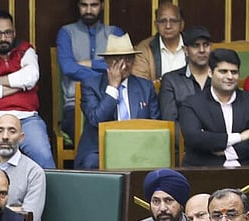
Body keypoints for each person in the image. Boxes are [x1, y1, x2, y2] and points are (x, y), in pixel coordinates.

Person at [0, 10, 54, 168]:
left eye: (7, 33)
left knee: (43, 154)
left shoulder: (26, 50)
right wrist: (20, 87)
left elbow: (31, 76)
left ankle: (50, 193)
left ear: (14, 33)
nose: (3, 38)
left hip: (26, 118)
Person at [76, 33, 160, 169]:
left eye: (128, 59)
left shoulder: (145, 87)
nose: (124, 65)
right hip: (101, 148)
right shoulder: (90, 85)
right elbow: (96, 120)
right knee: (91, 163)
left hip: (139, 147)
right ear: (107, 62)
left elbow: (156, 125)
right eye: (118, 60)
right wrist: (113, 88)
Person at [179, 49, 249, 166]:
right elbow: (194, 138)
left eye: (234, 72)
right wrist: (239, 137)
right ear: (210, 72)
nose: (230, 77)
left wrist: (228, 152)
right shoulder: (192, 104)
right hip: (206, 170)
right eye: (223, 71)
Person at [55, 0, 124, 140]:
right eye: (84, 5)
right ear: (78, 6)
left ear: (102, 5)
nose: (88, 10)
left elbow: (121, 67)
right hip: (75, 105)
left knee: (123, 134)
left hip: (112, 101)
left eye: (94, 5)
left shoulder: (115, 32)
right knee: (92, 138)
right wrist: (105, 71)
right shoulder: (66, 33)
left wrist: (90, 63)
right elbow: (68, 68)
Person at [159, 26, 212, 123]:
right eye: (196, 45)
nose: (202, 50)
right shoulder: (171, 80)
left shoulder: (220, 77)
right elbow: (170, 122)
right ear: (185, 50)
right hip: (184, 136)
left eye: (206, 45)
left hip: (218, 137)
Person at [132, 2, 185, 82]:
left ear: (181, 24)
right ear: (156, 25)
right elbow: (141, 85)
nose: (168, 26)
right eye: (163, 21)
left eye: (173, 21)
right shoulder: (144, 49)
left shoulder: (193, 45)